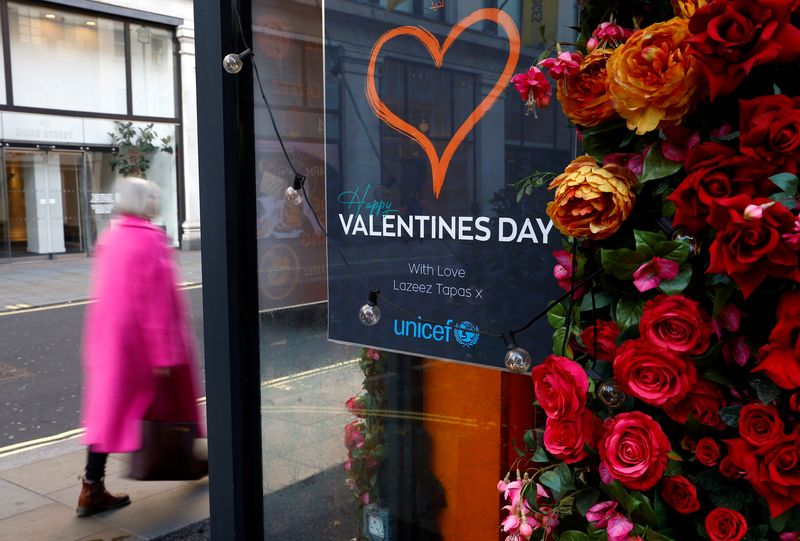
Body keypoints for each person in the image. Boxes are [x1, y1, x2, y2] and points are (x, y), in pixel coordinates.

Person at [77, 176, 205, 517]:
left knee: (107, 413)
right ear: (146, 203)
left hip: (111, 342)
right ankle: (184, 459)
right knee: (169, 404)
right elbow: (158, 302)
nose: (155, 203)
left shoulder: (111, 235)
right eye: (153, 199)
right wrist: (164, 353)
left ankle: (92, 486)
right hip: (143, 344)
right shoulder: (150, 240)